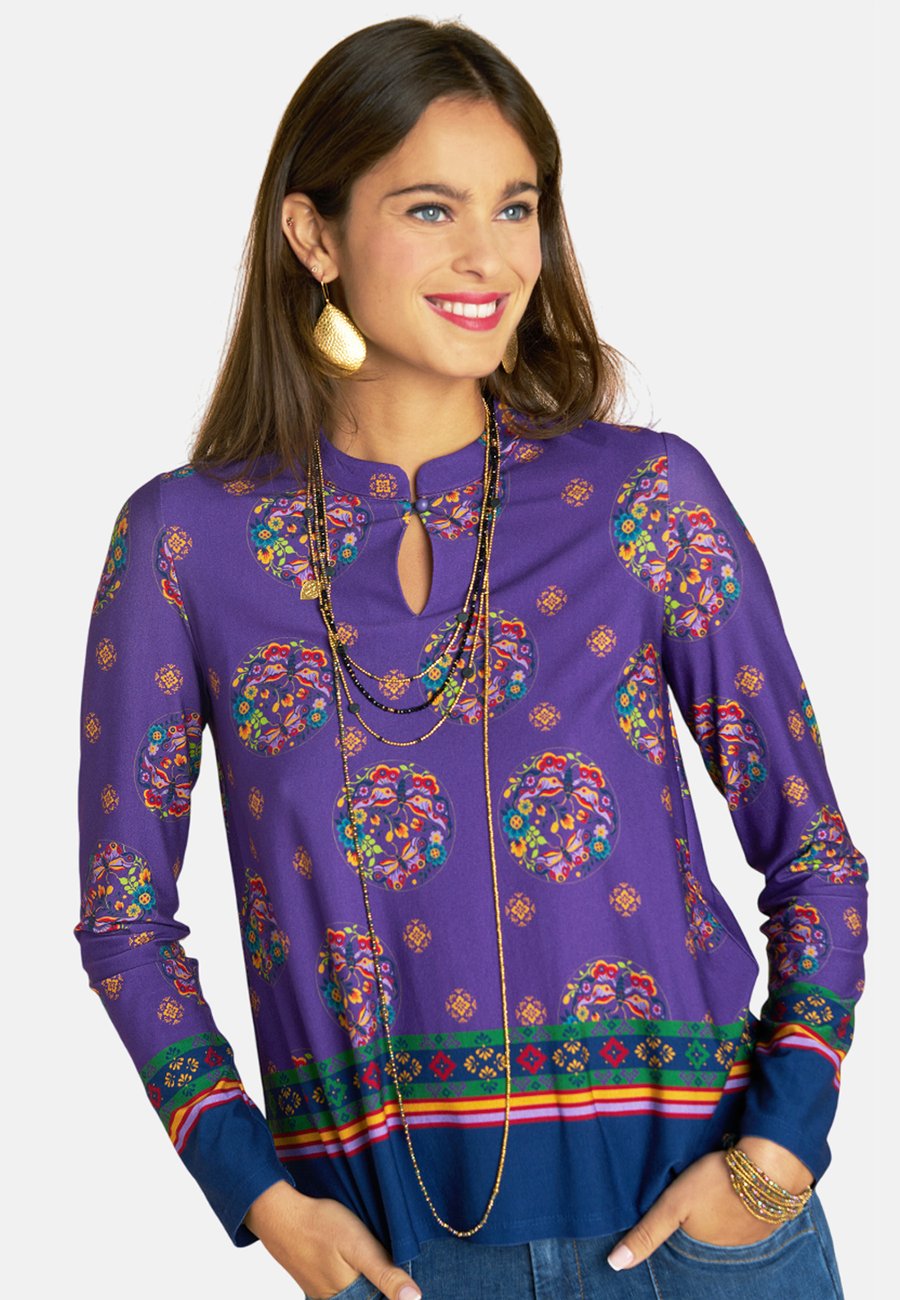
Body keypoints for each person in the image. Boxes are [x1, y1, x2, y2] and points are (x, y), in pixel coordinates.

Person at [73, 16, 865, 1300]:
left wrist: (780, 1149)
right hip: (399, 1262)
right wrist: (259, 1196)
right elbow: (125, 923)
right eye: (430, 208)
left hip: (705, 1239)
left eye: (517, 206)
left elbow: (813, 848)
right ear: (314, 235)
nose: (488, 256)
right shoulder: (186, 544)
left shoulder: (644, 500)